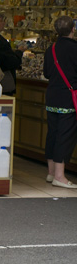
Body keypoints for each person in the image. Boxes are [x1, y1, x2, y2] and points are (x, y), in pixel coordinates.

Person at [43, 16, 77, 189]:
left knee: (53, 134)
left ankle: (51, 172)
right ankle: (60, 176)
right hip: (68, 99)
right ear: (73, 30)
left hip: (52, 97)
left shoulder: (52, 49)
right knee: (65, 136)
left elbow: (47, 73)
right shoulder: (75, 49)